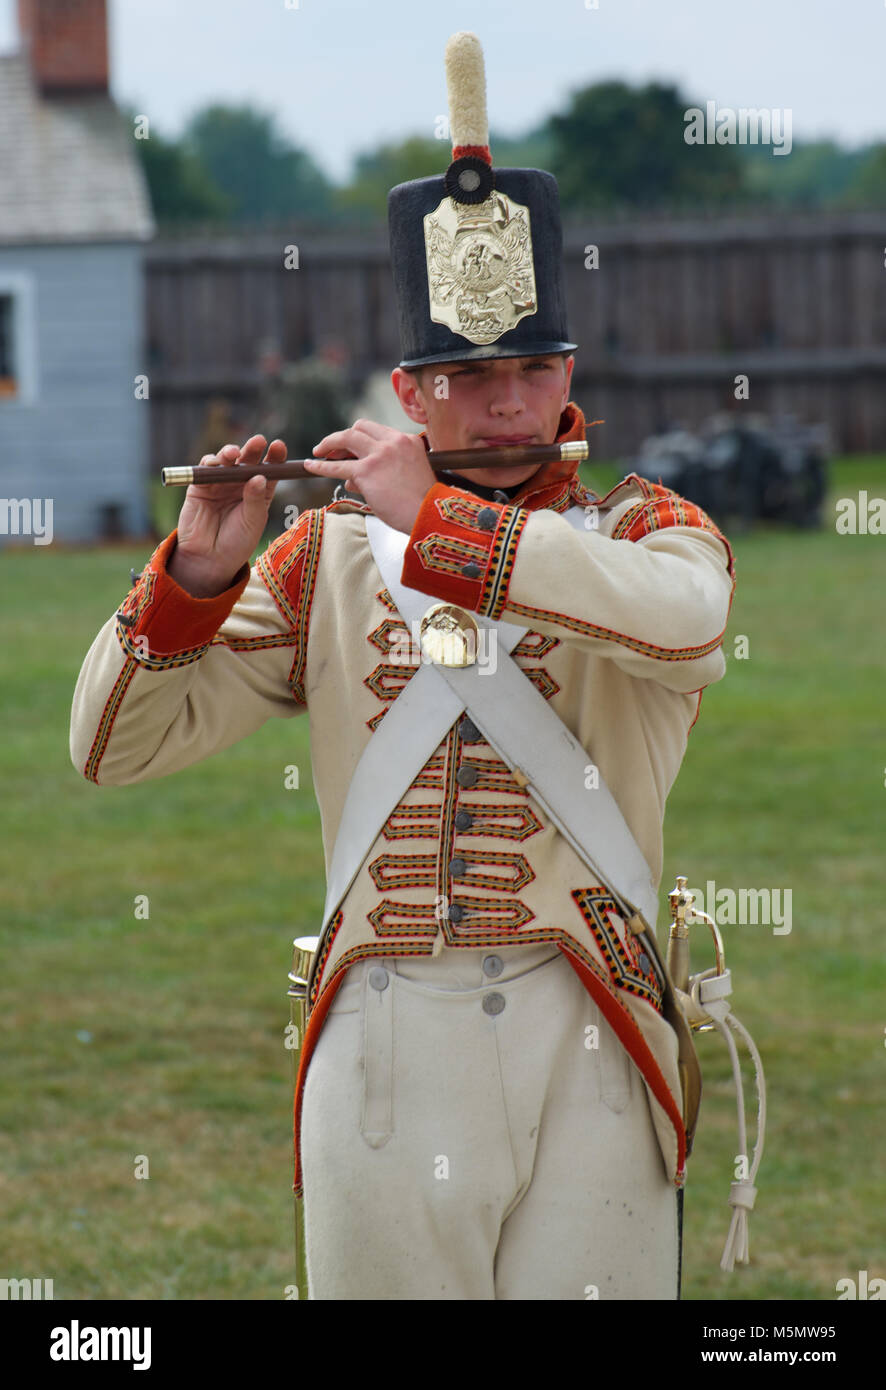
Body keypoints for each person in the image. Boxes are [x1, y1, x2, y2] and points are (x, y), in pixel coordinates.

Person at [70, 32, 735, 1300]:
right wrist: (198, 575)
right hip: (382, 1034)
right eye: (467, 377)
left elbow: (688, 628)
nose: (504, 404)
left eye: (531, 369)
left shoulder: (645, 527)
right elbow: (112, 748)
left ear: (569, 377)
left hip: (589, 1016)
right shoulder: (324, 559)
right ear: (409, 392)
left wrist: (436, 522)